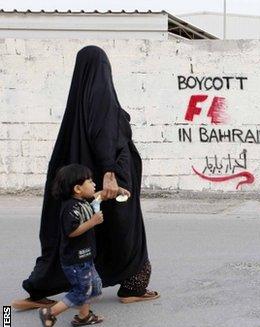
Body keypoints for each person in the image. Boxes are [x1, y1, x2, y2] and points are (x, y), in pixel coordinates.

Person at [12, 45, 159, 311]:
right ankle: (133, 287)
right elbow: (104, 136)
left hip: (82, 185)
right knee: (126, 232)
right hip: (110, 182)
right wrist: (110, 173)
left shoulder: (75, 113)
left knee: (70, 234)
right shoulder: (103, 101)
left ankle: (38, 290)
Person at [39, 164, 105, 327]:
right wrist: (92, 222)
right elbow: (71, 232)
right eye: (90, 181)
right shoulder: (70, 208)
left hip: (85, 256)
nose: (94, 184)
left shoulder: (82, 201)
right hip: (75, 260)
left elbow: (98, 196)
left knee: (94, 287)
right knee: (82, 290)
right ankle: (50, 313)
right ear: (77, 188)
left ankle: (83, 317)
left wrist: (118, 190)